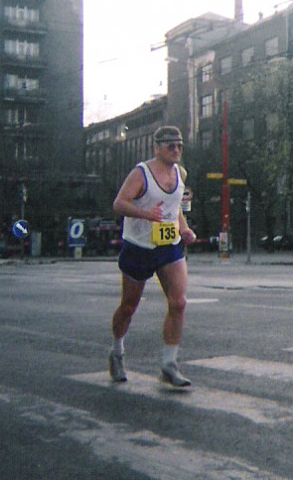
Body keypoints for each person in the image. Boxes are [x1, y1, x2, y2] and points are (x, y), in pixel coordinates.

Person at [109, 126, 197, 387]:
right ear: (156, 147)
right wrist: (146, 214)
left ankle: (169, 364)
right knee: (128, 306)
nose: (177, 150)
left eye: (180, 145)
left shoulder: (180, 173)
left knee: (178, 302)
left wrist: (185, 228)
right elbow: (119, 204)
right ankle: (117, 351)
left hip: (169, 245)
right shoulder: (141, 173)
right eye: (171, 145)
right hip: (139, 245)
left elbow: (175, 208)